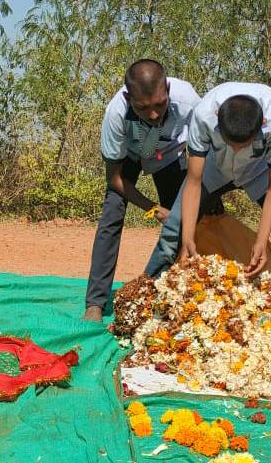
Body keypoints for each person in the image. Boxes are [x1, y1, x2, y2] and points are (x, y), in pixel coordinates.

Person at [144, 82, 271, 310]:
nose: (238, 150)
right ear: (218, 121)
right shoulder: (204, 114)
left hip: (260, 170)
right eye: (231, 143)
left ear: (262, 127)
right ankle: (145, 303)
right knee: (173, 231)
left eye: (245, 145)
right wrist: (188, 236)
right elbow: (193, 180)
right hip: (215, 167)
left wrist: (261, 239)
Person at [83, 60, 201, 322]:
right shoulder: (116, 114)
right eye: (143, 108)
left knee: (181, 223)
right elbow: (115, 179)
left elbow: (201, 157)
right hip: (131, 157)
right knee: (111, 216)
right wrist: (153, 209)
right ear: (128, 98)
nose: (154, 115)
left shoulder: (189, 102)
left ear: (168, 88)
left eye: (160, 104)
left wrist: (185, 205)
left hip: (169, 156)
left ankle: (179, 294)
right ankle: (95, 302)